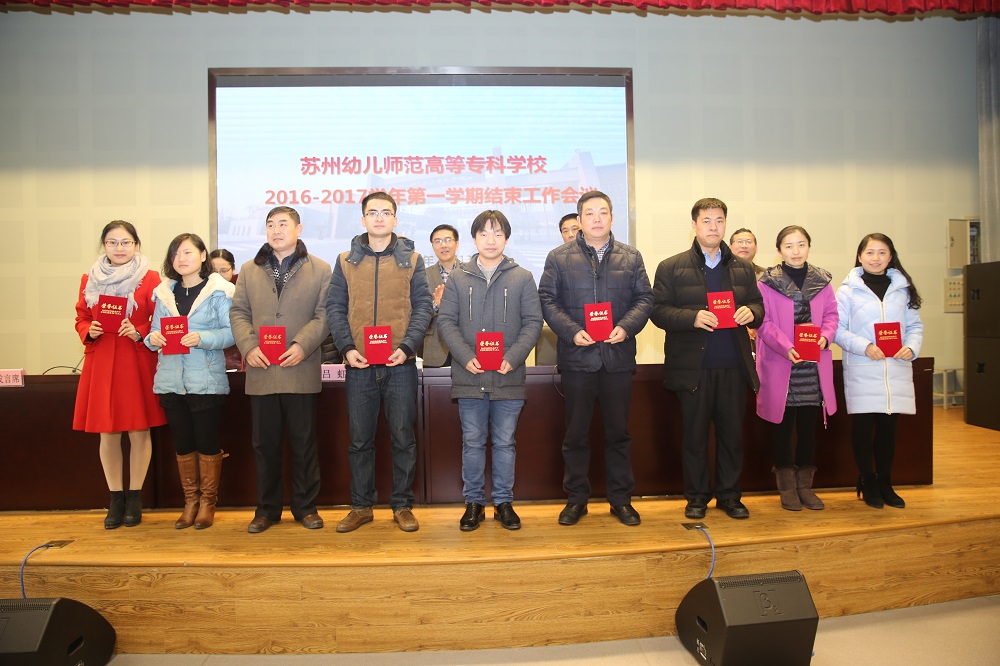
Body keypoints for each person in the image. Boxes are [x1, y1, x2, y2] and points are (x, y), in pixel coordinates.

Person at [538, 190, 653, 527]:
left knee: (619, 433)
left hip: (617, 357)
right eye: (590, 213)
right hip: (578, 358)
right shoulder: (559, 257)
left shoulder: (631, 257)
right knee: (576, 435)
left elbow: (645, 299)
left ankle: (621, 500)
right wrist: (572, 331)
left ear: (612, 218)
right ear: (580, 220)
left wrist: (626, 327)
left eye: (603, 212)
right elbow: (547, 300)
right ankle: (576, 500)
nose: (597, 219)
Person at [326, 192, 433, 533]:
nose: (379, 218)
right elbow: (335, 307)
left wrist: (407, 346)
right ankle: (361, 506)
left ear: (395, 219)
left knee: (403, 438)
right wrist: (346, 348)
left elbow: (423, 307)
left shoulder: (412, 260)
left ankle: (402, 505)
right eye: (372, 212)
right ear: (363, 219)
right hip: (358, 365)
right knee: (359, 441)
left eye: (386, 212)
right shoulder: (345, 260)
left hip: (400, 364)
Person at [650, 198, 763, 520]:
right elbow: (657, 311)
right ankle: (696, 497)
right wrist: (692, 318)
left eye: (719, 221)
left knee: (732, 437)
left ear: (725, 224)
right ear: (694, 225)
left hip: (733, 366)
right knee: (694, 438)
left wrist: (751, 312)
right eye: (706, 221)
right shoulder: (671, 267)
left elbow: (758, 305)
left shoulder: (742, 268)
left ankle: (729, 496)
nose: (714, 227)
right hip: (693, 369)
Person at [437, 210, 543, 531]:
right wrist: (464, 356)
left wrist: (514, 356)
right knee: (472, 442)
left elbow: (533, 322)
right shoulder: (458, 278)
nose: (491, 240)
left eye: (497, 233)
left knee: (505, 442)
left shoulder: (522, 277)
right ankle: (473, 504)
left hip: (508, 375)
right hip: (469, 375)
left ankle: (503, 503)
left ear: (506, 238)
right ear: (474, 239)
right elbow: (446, 322)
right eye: (484, 233)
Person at [229, 206, 332, 533]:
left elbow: (324, 315)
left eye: (283, 224)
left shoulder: (321, 269)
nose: (276, 230)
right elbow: (238, 313)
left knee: (304, 444)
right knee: (264, 445)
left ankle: (306, 507)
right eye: (271, 224)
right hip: (261, 370)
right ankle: (267, 510)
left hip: (300, 368)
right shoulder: (249, 269)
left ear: (298, 229)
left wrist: (302, 345)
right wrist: (249, 347)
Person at [73, 220, 166, 529]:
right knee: (107, 430)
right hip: (101, 361)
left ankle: (135, 497)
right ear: (104, 246)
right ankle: (116, 498)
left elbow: (162, 318)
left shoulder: (151, 278)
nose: (119, 248)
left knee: (139, 430)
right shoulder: (89, 278)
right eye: (112, 242)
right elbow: (81, 316)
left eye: (126, 242)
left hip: (135, 359)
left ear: (136, 245)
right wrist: (89, 329)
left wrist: (138, 330)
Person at [146, 234, 235, 529]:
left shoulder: (219, 291)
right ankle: (190, 501)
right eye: (176, 254)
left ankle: (208, 502)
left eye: (187, 252)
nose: (181, 259)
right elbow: (152, 332)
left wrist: (202, 337)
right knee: (183, 444)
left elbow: (231, 332)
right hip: (171, 380)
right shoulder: (164, 293)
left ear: (202, 255)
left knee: (207, 443)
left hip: (206, 380)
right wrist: (153, 338)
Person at [834, 233, 923, 509]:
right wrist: (865, 346)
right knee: (863, 428)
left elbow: (915, 326)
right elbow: (837, 330)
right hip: (863, 366)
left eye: (882, 252)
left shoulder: (902, 289)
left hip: (895, 367)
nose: (876, 258)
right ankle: (867, 481)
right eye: (870, 252)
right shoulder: (847, 291)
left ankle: (885, 482)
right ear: (860, 256)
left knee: (888, 429)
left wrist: (911, 346)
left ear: (891, 256)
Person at [755, 226, 838, 511]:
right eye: (789, 246)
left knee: (807, 429)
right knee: (782, 428)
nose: (795, 251)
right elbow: (763, 321)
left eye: (801, 244)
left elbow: (832, 315)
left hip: (813, 366)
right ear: (779, 250)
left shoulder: (822, 280)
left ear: (809, 247)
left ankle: (805, 487)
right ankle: (787, 488)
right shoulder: (767, 282)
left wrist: (826, 336)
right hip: (782, 363)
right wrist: (786, 346)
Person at [422, 224, 461, 368]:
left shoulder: (471, 272)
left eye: (448, 240)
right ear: (433, 246)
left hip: (466, 347)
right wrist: (436, 305)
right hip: (434, 348)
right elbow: (416, 312)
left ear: (457, 244)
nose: (443, 245)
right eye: (437, 241)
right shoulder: (423, 275)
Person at [210, 249, 243, 371]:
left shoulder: (242, 288)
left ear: (233, 269)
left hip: (236, 350)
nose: (218, 276)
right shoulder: (201, 290)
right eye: (213, 271)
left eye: (223, 271)